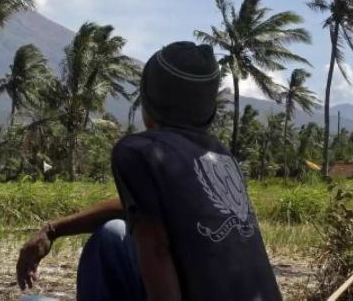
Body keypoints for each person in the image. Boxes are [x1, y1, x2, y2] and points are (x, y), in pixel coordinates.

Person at [16, 41, 282, 301]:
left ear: (147, 98)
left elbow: (156, 250)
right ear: (211, 108)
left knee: (105, 242)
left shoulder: (137, 150)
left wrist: (50, 230)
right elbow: (129, 207)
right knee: (117, 233)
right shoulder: (221, 155)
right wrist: (52, 230)